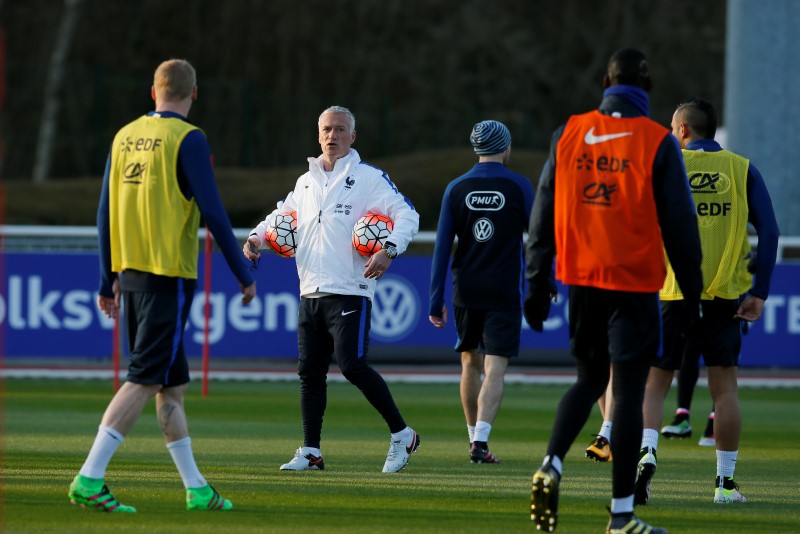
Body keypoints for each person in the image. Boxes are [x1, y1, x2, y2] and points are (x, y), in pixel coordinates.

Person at [523, 48, 703, 533]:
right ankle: (621, 516)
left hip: (580, 280)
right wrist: (691, 295)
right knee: (625, 393)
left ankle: (552, 464)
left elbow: (542, 215)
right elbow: (681, 227)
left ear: (605, 81)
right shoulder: (657, 140)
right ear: (647, 87)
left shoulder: (570, 132)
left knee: (586, 381)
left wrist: (537, 283)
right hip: (634, 283)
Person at [69, 59, 257, 513]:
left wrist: (105, 278)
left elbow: (103, 212)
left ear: (152, 92)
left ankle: (196, 489)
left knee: (170, 387)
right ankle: (89, 478)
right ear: (195, 94)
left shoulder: (123, 135)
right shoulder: (188, 139)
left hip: (129, 273)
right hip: (167, 276)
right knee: (145, 377)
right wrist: (243, 273)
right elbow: (212, 212)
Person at [244, 106, 421, 473]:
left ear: (352, 137)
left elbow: (408, 215)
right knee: (310, 372)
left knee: (353, 365)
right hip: (310, 290)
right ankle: (310, 451)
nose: (332, 136)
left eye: (340, 130)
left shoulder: (369, 178)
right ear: (318, 134)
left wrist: (389, 250)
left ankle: (403, 434)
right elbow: (281, 216)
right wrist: (255, 238)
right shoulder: (305, 182)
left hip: (351, 289)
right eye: (326, 129)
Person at [634, 97, 779, 506]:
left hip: (671, 292)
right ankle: (724, 485)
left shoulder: (666, 165)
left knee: (654, 385)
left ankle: (645, 455)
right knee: (724, 390)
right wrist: (760, 292)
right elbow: (769, 232)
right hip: (724, 296)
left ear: (682, 129)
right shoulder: (741, 168)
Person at [428, 120, 535, 464]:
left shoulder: (456, 187)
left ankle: (472, 437)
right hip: (504, 289)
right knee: (496, 368)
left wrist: (435, 299)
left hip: (466, 290)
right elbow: (538, 241)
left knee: (469, 363)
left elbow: (442, 247)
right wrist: (542, 283)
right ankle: (482, 442)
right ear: (505, 148)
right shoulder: (520, 186)